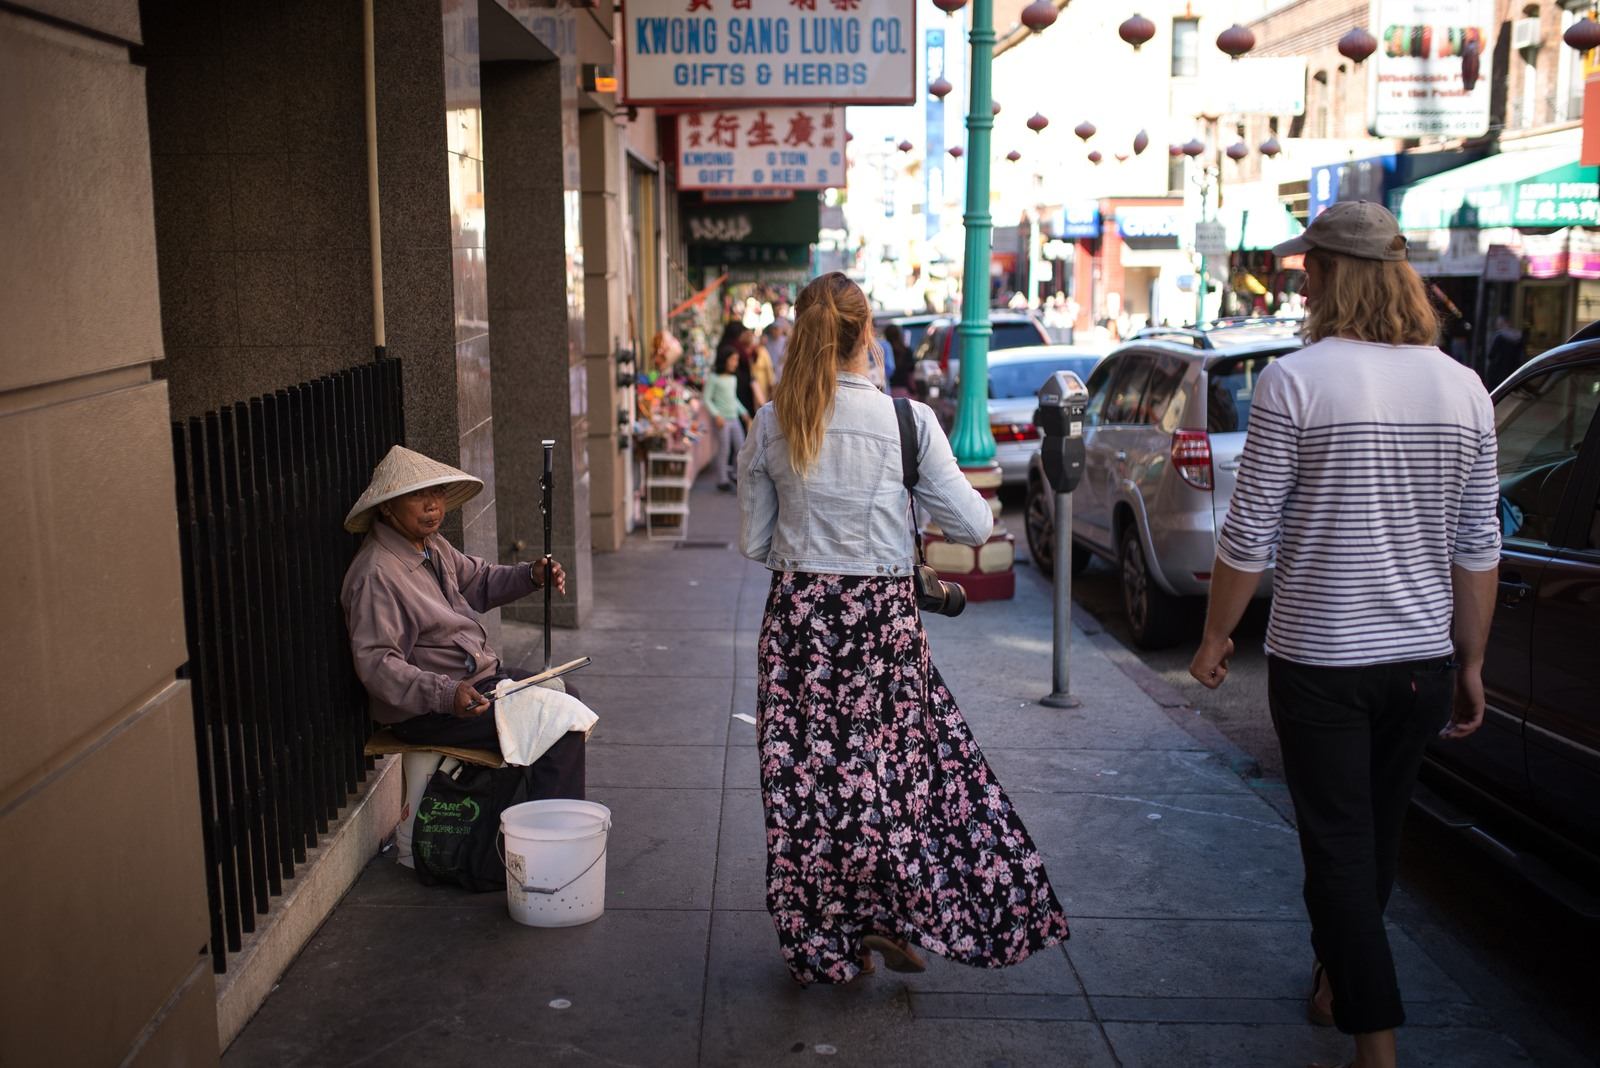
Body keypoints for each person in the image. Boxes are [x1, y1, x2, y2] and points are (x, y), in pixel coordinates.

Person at [1187, 202, 1500, 1068]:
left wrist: (1215, 637)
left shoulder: (1296, 380)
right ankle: (1335, 981)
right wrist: (1472, 659)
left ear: (1333, 274)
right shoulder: (1464, 388)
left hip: (1322, 660)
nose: (1300, 282)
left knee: (1336, 849)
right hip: (1420, 663)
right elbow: (1478, 543)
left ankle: (1376, 1040)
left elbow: (1249, 530)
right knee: (1376, 839)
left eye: (1308, 267)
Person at [737, 271, 1070, 985]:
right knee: (889, 779)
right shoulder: (907, 422)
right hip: (881, 628)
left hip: (798, 628)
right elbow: (974, 525)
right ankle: (887, 913)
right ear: (868, 335)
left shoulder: (771, 423)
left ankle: (825, 937)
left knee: (806, 787)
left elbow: (755, 543)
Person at [340, 446, 585, 795]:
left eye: (437, 492)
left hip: (477, 682)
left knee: (566, 695)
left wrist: (531, 574)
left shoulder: (431, 544)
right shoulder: (376, 574)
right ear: (387, 507)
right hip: (430, 712)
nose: (432, 505)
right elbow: (379, 665)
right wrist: (446, 693)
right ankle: (550, 825)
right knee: (558, 724)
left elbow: (479, 580)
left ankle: (526, 814)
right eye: (417, 496)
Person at [704, 347, 749, 491]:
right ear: (725, 360)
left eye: (737, 360)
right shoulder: (713, 378)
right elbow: (706, 399)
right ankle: (722, 480)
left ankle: (736, 474)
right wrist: (716, 415)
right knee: (724, 449)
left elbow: (733, 399)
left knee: (741, 447)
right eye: (733, 359)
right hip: (722, 420)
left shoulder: (732, 378)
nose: (736, 363)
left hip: (734, 418)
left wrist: (743, 412)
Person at [1484, 315, 1526, 388]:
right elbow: (1521, 355)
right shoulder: (1519, 337)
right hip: (1512, 372)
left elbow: (1491, 355)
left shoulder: (1499, 337)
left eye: (1499, 324)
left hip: (1498, 372)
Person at [883, 322, 914, 393]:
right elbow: (911, 373)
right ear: (899, 335)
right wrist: (913, 390)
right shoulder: (906, 351)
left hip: (887, 388)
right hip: (904, 389)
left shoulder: (883, 350)